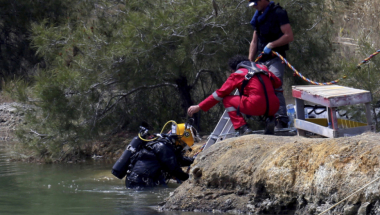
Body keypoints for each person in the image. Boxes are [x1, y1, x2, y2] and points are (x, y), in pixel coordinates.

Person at [187, 55, 282, 135]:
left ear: (233, 69)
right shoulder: (264, 68)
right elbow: (277, 83)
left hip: (255, 105)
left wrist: (199, 106)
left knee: (227, 100)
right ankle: (270, 120)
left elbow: (219, 94)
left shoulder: (237, 74)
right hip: (274, 106)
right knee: (268, 96)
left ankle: (243, 128)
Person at [247, 0, 294, 129]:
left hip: (276, 58)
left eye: (256, 3)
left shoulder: (278, 12)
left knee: (275, 84)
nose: (254, 7)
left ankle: (282, 119)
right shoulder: (258, 16)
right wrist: (250, 62)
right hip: (261, 60)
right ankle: (269, 118)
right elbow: (254, 41)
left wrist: (272, 44)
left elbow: (289, 36)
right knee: (260, 87)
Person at [121, 123, 196, 189]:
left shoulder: (164, 145)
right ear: (179, 140)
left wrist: (195, 160)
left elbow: (179, 160)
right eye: (184, 145)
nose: (183, 149)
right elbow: (174, 169)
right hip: (140, 182)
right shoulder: (163, 146)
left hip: (138, 180)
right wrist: (190, 178)